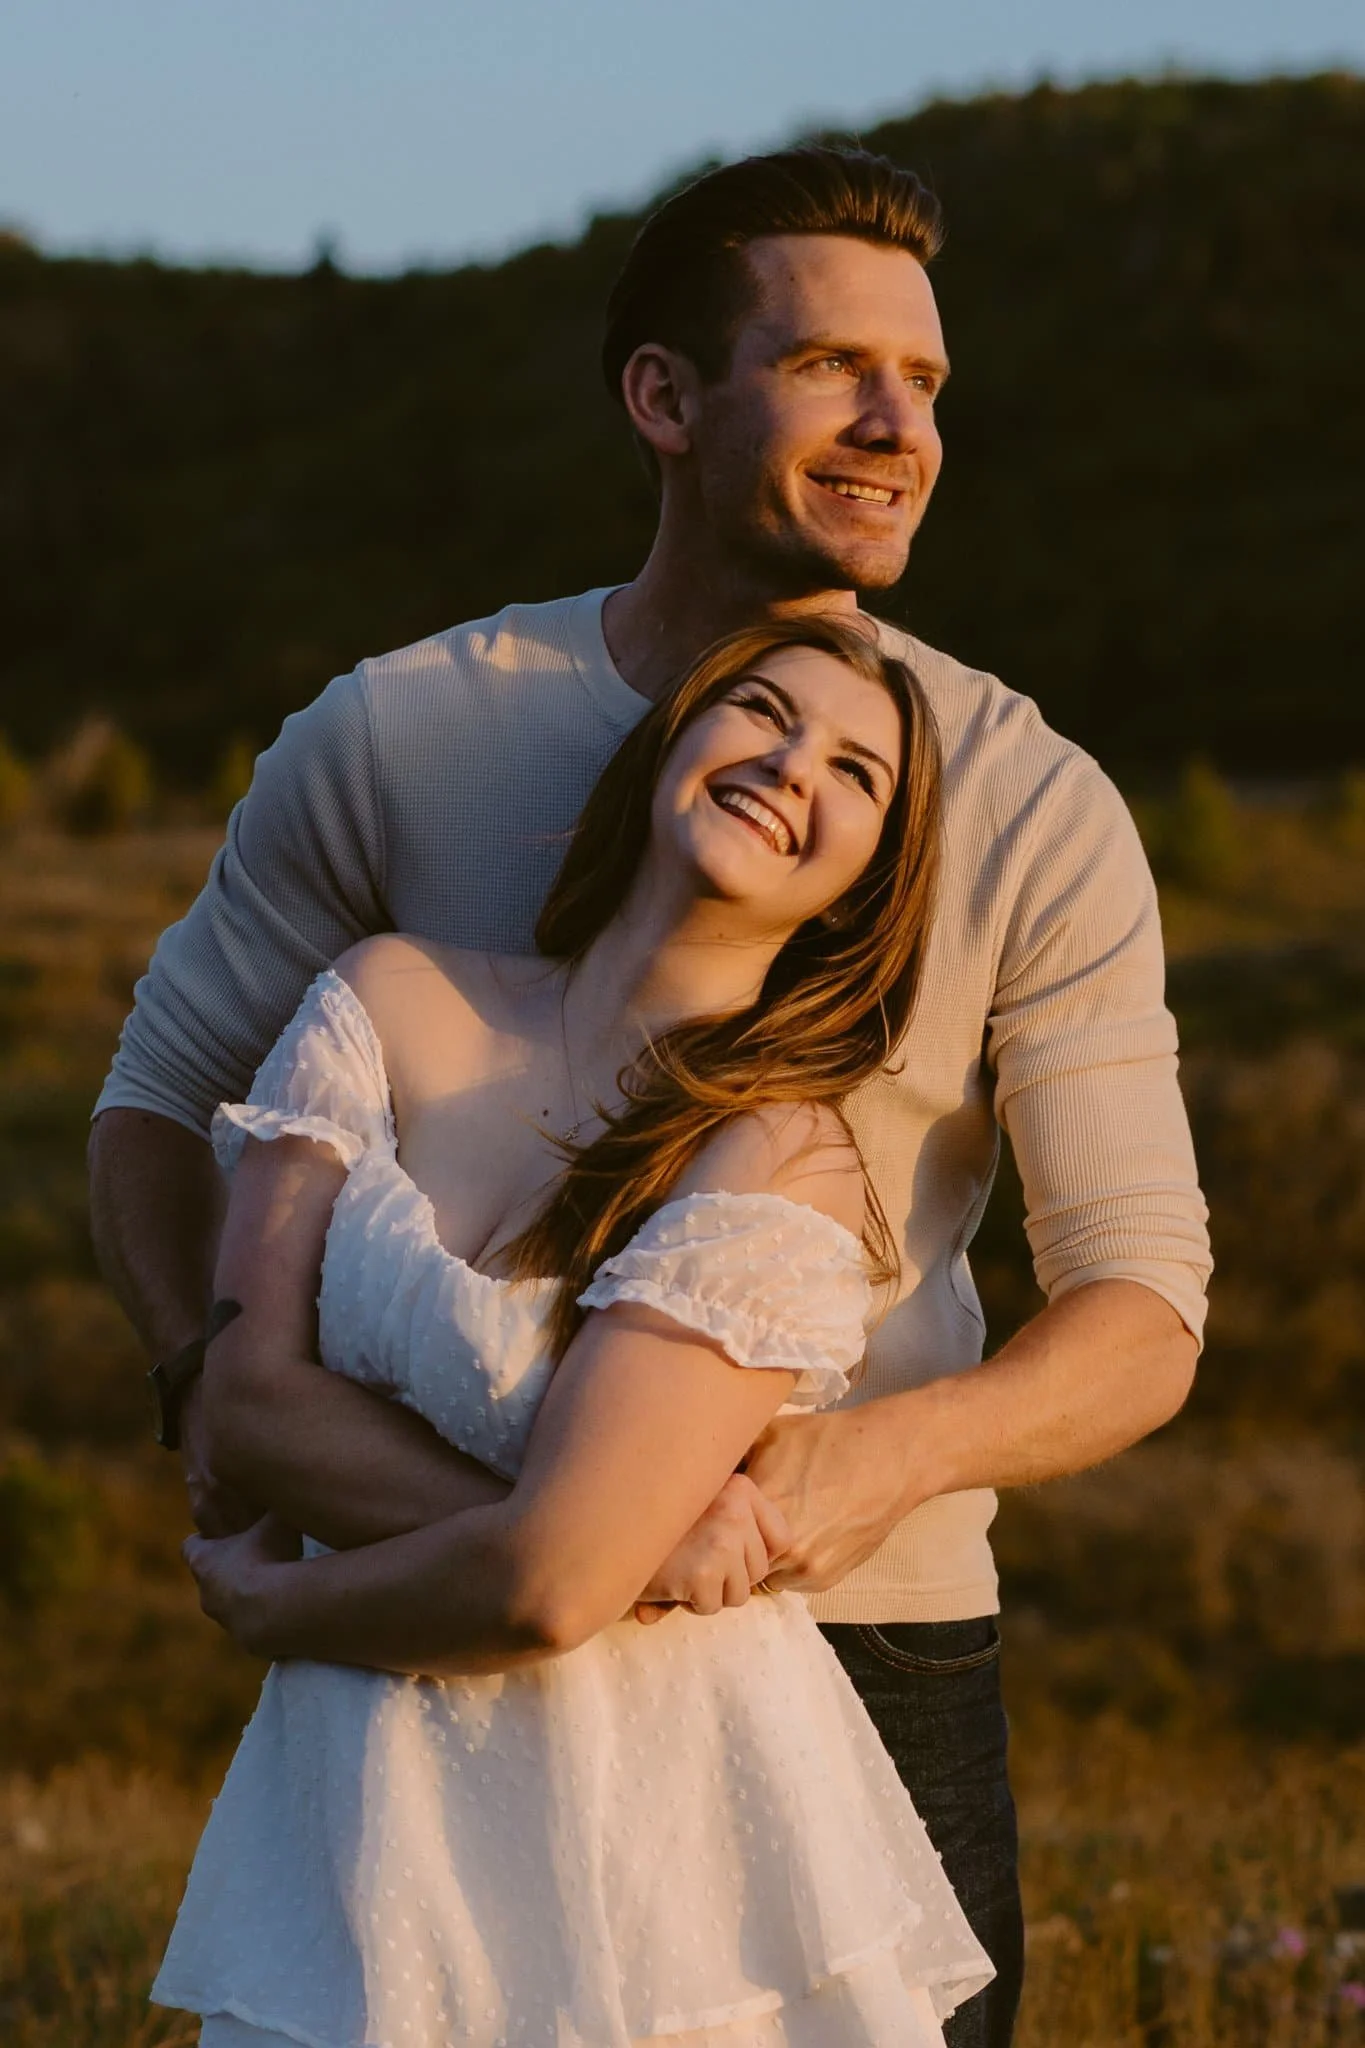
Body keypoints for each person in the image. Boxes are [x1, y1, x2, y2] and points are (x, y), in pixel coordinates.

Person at [89, 146, 1212, 2047]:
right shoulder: (401, 732)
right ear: (665, 399)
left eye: (927, 384)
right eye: (834, 366)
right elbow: (152, 1110)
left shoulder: (1032, 799)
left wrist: (846, 1475)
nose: (896, 425)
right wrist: (232, 1406)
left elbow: (1142, 1307)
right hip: (421, 1652)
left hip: (861, 1649)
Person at [152, 615, 995, 2046]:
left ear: (864, 889)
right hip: (367, 1805)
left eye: (856, 772)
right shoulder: (386, 997)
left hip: (669, 1841)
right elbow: (241, 1412)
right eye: (763, 712)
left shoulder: (781, 1157)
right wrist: (632, 1543)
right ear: (674, 737)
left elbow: (548, 1590)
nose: (794, 766)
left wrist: (290, 1603)